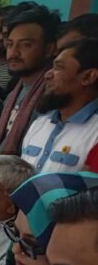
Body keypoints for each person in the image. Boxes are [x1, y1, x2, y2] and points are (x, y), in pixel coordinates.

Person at [0, 4, 61, 154]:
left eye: (26, 45)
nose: (13, 53)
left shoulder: (52, 96)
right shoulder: (13, 94)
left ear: (49, 49)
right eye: (10, 44)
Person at [20, 38, 98, 172]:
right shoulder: (40, 124)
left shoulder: (95, 132)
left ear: (88, 77)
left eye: (59, 67)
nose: (47, 75)